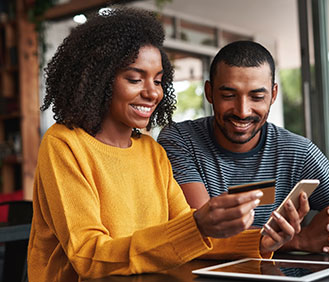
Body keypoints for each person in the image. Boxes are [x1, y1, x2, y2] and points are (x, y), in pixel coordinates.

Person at [27, 10, 309, 282]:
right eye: (135, 79)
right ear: (99, 80)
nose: (152, 92)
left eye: (159, 81)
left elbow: (189, 234)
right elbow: (89, 257)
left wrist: (260, 241)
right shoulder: (64, 144)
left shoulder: (151, 151)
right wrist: (197, 226)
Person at [158, 40, 329, 255]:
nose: (242, 111)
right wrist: (301, 239)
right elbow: (203, 232)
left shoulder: (297, 151)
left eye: (257, 97)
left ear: (273, 95)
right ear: (209, 92)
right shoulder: (180, 141)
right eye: (229, 95)